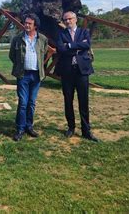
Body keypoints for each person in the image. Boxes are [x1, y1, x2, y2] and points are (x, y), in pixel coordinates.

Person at [56, 11, 98, 142]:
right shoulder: (61, 34)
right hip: (67, 72)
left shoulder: (83, 32)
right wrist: (77, 47)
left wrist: (69, 45)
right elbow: (60, 49)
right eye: (65, 20)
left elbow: (86, 45)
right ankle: (71, 127)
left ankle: (86, 130)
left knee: (83, 101)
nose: (67, 21)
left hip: (82, 72)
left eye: (70, 19)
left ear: (75, 19)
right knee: (68, 101)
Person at [9, 13, 48, 141]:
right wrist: (20, 65)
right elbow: (12, 56)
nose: (26, 25)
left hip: (36, 75)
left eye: (29, 23)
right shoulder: (17, 38)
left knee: (31, 103)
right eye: (25, 23)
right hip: (23, 75)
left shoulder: (42, 39)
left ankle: (29, 126)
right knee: (23, 103)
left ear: (35, 25)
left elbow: (45, 53)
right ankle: (20, 128)